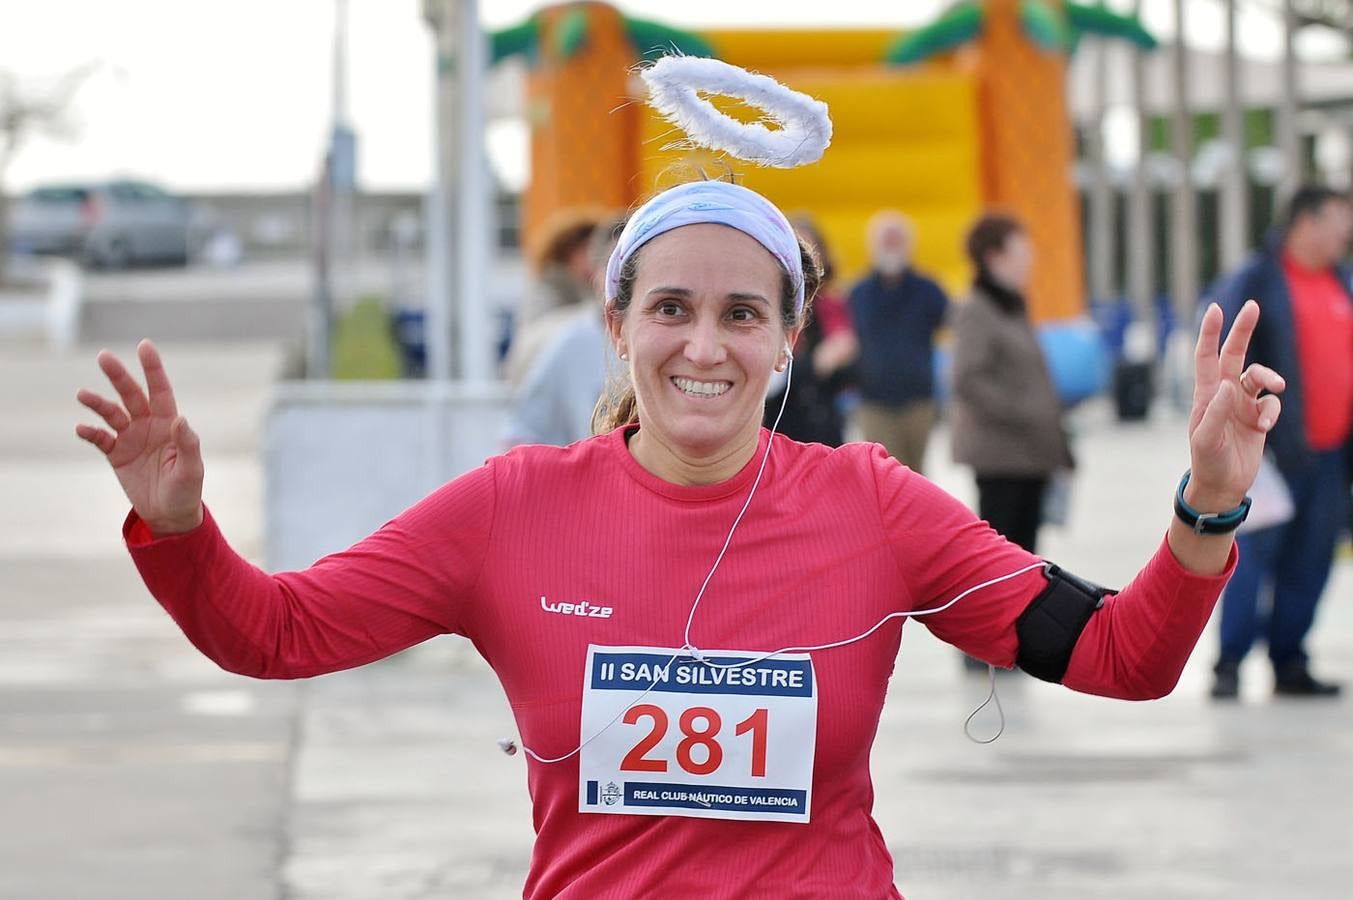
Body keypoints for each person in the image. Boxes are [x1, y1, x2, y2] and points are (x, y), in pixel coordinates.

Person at [77, 177, 1281, 899]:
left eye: (741, 314)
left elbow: (1127, 658)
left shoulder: (871, 502)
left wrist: (1208, 503)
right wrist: (179, 526)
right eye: (671, 309)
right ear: (618, 325)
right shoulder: (512, 510)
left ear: (786, 346)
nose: (704, 346)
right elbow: (273, 633)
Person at [1209, 185, 1353, 699]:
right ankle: (1229, 662)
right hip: (1269, 454)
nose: (1346, 230)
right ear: (1305, 223)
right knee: (1249, 560)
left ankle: (1289, 660)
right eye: (1338, 218)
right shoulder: (1258, 280)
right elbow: (1227, 354)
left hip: (1332, 456)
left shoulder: (1343, 282)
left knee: (1312, 562)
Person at [950, 213, 1073, 557]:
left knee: (1026, 557)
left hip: (1028, 455)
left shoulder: (1009, 306)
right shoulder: (978, 308)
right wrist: (1025, 412)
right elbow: (967, 379)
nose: (1029, 260)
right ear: (994, 257)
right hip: (1001, 457)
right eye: (1021, 252)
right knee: (1004, 556)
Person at [504, 218, 626, 447]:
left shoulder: (681, 344)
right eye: (617, 270)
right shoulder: (568, 341)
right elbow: (525, 433)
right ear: (595, 273)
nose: (626, 283)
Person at [846, 211, 949, 473]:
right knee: (885, 474)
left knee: (918, 475)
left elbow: (951, 325)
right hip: (874, 401)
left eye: (896, 240)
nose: (891, 246)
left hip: (919, 400)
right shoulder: (858, 294)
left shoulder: (928, 290)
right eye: (886, 240)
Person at [761, 215, 856, 446]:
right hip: (779, 415)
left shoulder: (830, 304)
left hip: (819, 415)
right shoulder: (768, 304)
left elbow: (843, 351)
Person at [503, 209, 608, 386]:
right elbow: (537, 339)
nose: (598, 257)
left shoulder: (591, 290)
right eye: (590, 249)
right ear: (569, 251)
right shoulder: (546, 290)